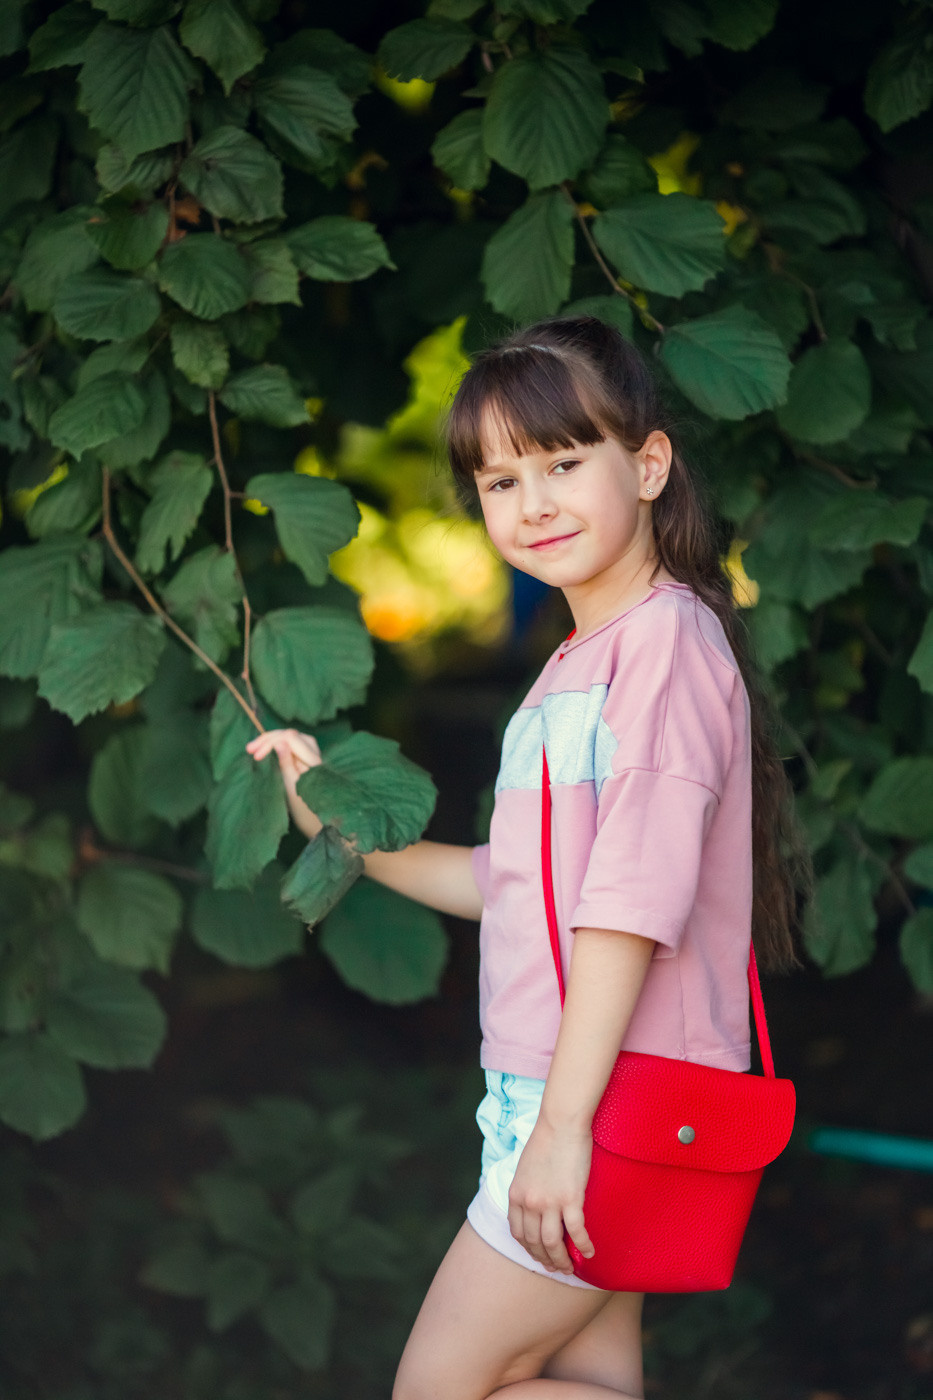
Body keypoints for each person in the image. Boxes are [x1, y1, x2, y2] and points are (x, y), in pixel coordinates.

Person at [246, 316, 805, 1400]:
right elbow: (505, 884)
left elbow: (627, 909)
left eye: (562, 462)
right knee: (589, 1377)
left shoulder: (665, 646)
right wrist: (332, 825)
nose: (533, 502)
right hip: (577, 1094)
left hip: (602, 1102)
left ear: (648, 465)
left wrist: (561, 1131)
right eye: (501, 481)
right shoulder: (574, 668)